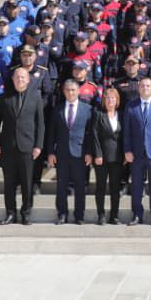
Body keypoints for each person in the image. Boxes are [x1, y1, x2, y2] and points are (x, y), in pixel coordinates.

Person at [0, 64, 46, 224]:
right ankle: (10, 213)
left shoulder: (36, 96)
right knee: (9, 183)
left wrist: (38, 145)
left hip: (28, 147)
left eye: (23, 77)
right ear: (12, 79)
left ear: (28, 80)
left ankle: (26, 213)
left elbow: (40, 123)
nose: (19, 79)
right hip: (8, 147)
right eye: (17, 77)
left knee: (27, 182)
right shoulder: (4, 97)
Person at [47, 77, 94, 225]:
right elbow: (51, 133)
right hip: (61, 153)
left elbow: (90, 134)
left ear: (78, 91)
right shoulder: (57, 109)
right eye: (67, 90)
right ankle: (62, 214)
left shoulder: (88, 109)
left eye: (73, 89)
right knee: (61, 185)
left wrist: (89, 152)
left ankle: (79, 215)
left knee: (80, 186)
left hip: (80, 154)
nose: (70, 92)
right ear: (63, 91)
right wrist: (50, 152)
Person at [123, 76, 151, 226]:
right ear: (138, 88)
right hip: (136, 154)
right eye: (142, 86)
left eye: (148, 86)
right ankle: (137, 215)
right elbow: (127, 131)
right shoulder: (131, 106)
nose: (145, 88)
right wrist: (127, 150)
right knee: (136, 186)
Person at [91, 85, 126, 224]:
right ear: (104, 100)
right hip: (102, 158)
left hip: (117, 158)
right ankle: (101, 215)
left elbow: (125, 137)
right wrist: (97, 154)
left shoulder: (122, 115)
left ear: (117, 100)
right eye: (108, 98)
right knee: (100, 187)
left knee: (115, 189)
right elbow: (94, 136)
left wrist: (124, 154)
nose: (110, 100)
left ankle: (114, 216)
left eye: (113, 98)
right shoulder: (98, 114)